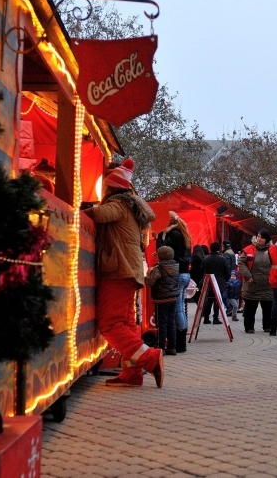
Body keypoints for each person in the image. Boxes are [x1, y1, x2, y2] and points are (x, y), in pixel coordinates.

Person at [84, 158, 163, 388]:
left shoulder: (118, 205)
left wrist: (82, 209)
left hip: (117, 270)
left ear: (110, 187)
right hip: (129, 270)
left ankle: (150, 358)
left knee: (111, 324)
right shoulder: (131, 206)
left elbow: (98, 215)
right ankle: (132, 374)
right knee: (126, 324)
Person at [157, 211, 192, 353]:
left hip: (176, 274)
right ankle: (181, 342)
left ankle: (180, 344)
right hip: (185, 274)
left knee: (177, 308)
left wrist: (159, 237)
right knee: (180, 307)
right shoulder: (182, 232)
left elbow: (164, 252)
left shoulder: (172, 235)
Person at [145, 246, 180, 355]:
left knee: (162, 323)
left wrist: (146, 277)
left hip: (161, 299)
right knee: (171, 323)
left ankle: (161, 348)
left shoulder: (158, 268)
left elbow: (150, 283)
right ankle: (172, 347)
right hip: (173, 298)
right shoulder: (176, 267)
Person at [239, 229, 274, 334]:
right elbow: (241, 262)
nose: (259, 239)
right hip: (252, 283)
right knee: (250, 308)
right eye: (258, 236)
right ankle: (249, 327)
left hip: (268, 285)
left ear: (267, 239)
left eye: (262, 237)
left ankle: (268, 326)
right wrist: (247, 275)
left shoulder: (272, 250)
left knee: (268, 308)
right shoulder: (249, 249)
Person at [201, 242, 230, 325]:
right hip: (220, 282)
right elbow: (227, 271)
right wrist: (225, 280)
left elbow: (201, 270)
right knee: (217, 300)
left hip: (208, 281)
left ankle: (206, 318)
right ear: (219, 249)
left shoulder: (205, 259)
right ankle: (215, 318)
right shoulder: (222, 259)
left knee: (209, 299)